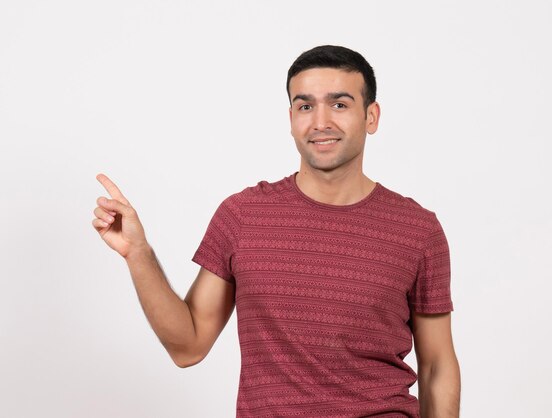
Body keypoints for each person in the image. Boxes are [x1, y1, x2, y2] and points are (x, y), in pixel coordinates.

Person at [92, 45, 461, 418]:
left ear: (371, 116)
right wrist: (137, 253)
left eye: (339, 105)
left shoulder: (417, 229)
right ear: (290, 118)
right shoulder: (243, 216)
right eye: (305, 106)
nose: (320, 122)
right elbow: (187, 347)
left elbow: (437, 367)